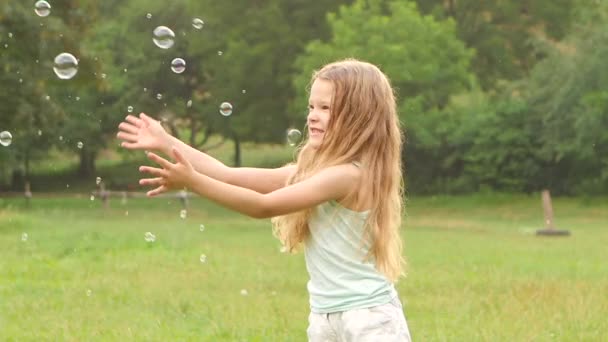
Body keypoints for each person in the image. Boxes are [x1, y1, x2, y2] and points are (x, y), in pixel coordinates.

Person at [116, 58, 412, 341]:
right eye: (311, 106)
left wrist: (192, 182)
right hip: (325, 315)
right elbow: (227, 174)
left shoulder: (348, 176)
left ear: (358, 117)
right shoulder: (313, 172)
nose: (312, 115)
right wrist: (167, 141)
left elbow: (264, 206)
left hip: (368, 319)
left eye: (326, 107)